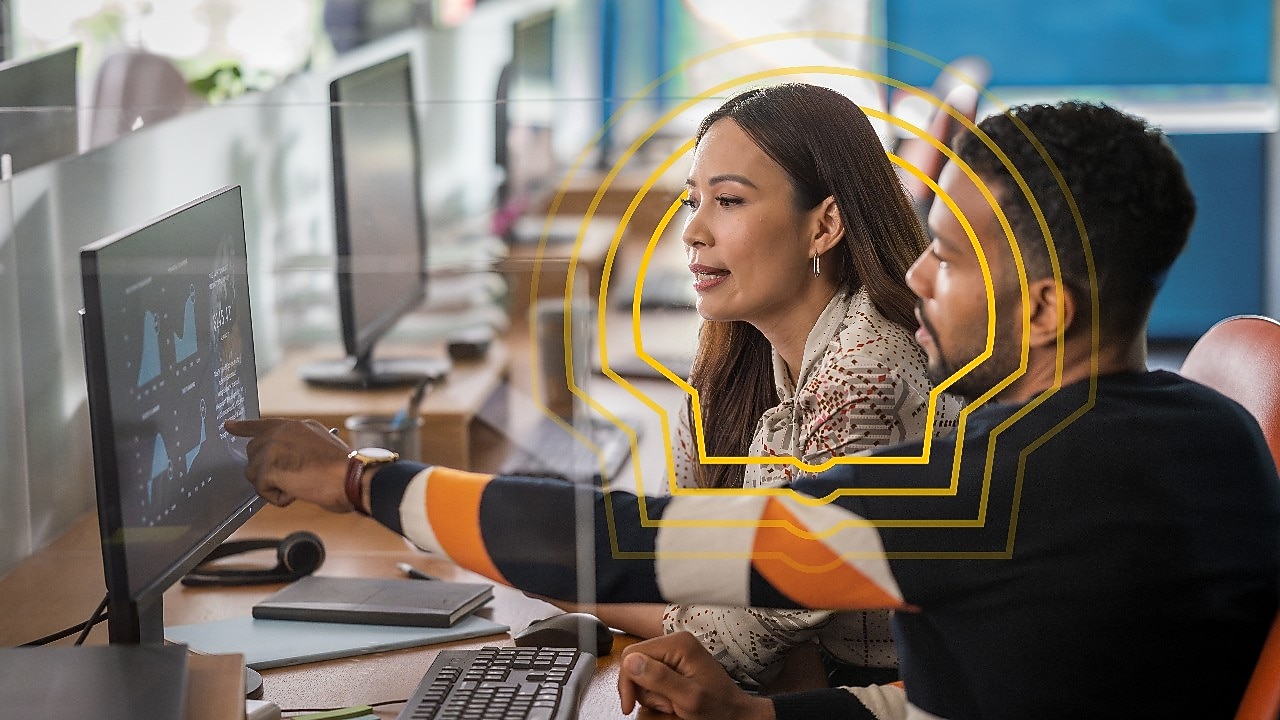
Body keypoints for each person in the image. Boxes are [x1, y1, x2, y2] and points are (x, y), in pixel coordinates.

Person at [228, 101, 1280, 718]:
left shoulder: (988, 490)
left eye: (949, 259)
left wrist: (358, 479)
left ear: (1043, 309)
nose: (914, 276)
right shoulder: (1206, 434)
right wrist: (757, 716)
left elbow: (638, 546)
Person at [599, 82, 961, 691]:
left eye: (730, 202)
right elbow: (683, 552)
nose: (692, 231)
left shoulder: (866, 375)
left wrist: (571, 583)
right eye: (694, 202)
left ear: (824, 227)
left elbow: (733, 646)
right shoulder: (743, 348)